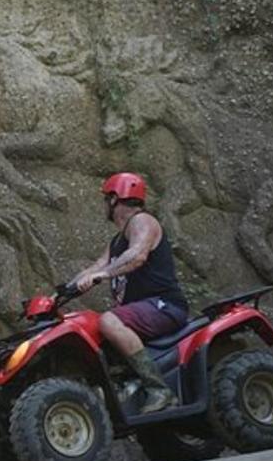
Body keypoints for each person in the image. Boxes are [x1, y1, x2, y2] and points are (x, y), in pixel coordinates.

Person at [69, 172, 189, 413]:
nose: (104, 205)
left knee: (109, 320)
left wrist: (103, 275)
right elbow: (95, 267)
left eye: (106, 199)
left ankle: (159, 389)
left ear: (115, 199)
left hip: (164, 305)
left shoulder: (143, 221)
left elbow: (137, 255)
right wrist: (60, 294)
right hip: (142, 312)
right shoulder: (116, 241)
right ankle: (126, 388)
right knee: (94, 330)